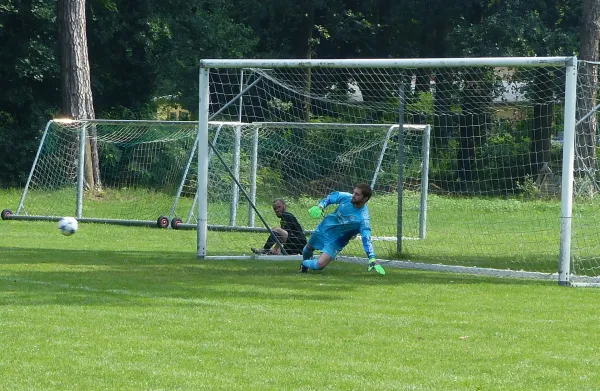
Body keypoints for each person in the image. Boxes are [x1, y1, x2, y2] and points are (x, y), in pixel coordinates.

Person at [299, 183, 386, 275]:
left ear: (365, 199)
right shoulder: (346, 197)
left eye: (357, 194)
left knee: (319, 265)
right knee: (308, 249)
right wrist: (320, 206)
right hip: (325, 228)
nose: (353, 196)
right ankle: (304, 268)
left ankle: (304, 264)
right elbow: (330, 197)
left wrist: (372, 258)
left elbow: (366, 238)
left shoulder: (363, 219)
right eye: (354, 192)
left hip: (337, 240)